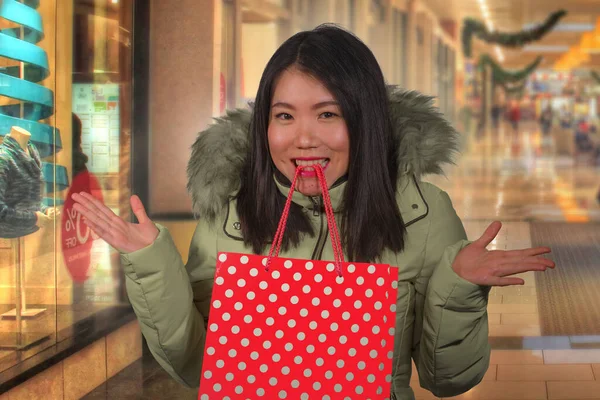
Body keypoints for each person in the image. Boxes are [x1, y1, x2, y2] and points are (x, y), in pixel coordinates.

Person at [71, 25, 554, 399]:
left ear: (363, 120)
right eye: (284, 116)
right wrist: (153, 267)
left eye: (328, 114)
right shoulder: (230, 214)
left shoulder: (422, 213)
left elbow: (446, 380)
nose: (303, 137)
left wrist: (459, 287)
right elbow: (195, 366)